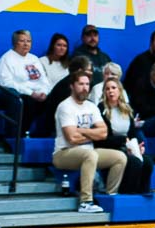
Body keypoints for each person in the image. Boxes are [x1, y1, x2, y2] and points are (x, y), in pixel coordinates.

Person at [52, 71, 124, 213]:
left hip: (88, 150)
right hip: (64, 153)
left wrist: (81, 130)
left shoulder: (91, 106)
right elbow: (71, 138)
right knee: (90, 155)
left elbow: (104, 133)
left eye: (87, 84)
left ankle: (109, 195)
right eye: (81, 84)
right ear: (72, 86)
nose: (85, 88)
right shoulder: (65, 106)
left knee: (119, 157)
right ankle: (85, 202)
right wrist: (93, 134)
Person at [98, 77, 154, 195]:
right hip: (110, 147)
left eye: (113, 88)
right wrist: (123, 141)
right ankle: (129, 191)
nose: (110, 91)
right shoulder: (101, 109)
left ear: (120, 91)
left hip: (127, 145)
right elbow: (102, 139)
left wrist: (138, 146)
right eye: (107, 89)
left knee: (148, 161)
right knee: (134, 162)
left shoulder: (127, 109)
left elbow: (132, 133)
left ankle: (144, 190)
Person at [0, 30, 53, 136]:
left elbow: (44, 81)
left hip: (38, 95)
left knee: (53, 100)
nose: (26, 44)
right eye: (22, 41)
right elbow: (6, 83)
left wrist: (43, 92)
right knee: (27, 101)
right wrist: (30, 93)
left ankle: (44, 136)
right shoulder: (6, 59)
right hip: (19, 95)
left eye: (29, 41)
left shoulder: (34, 59)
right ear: (14, 43)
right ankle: (19, 137)